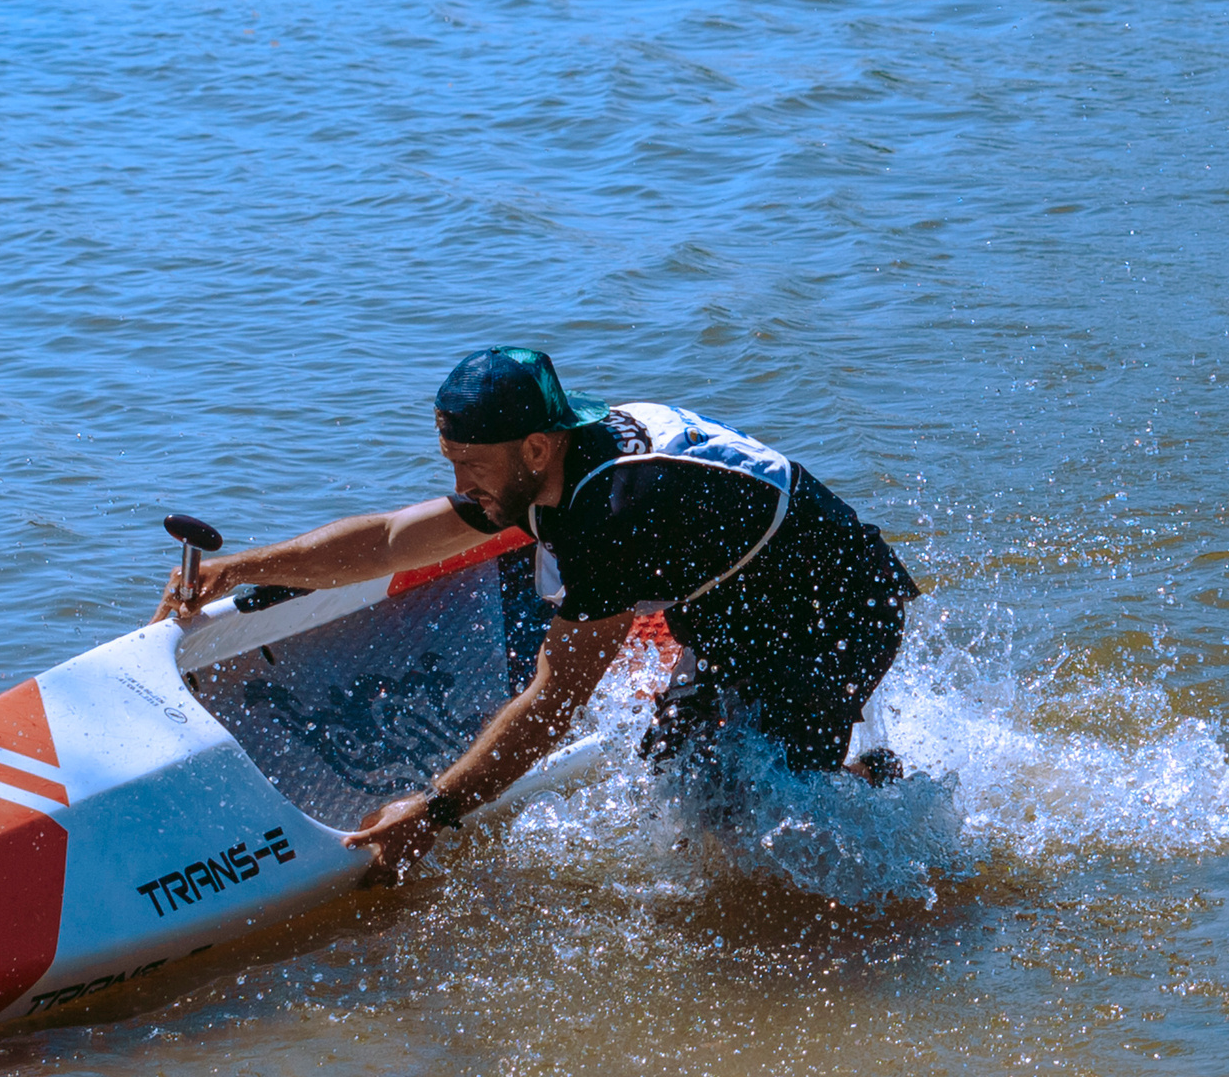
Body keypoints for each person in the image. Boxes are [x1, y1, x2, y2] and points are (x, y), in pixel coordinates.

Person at [157, 346, 921, 877]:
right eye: (452, 463)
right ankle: (863, 767)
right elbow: (394, 541)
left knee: (762, 823)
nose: (462, 483)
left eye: (471, 465)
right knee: (679, 778)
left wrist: (432, 808)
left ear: (533, 449)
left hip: (835, 614)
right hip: (738, 599)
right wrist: (238, 569)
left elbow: (554, 699)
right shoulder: (551, 464)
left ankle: (891, 825)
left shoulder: (615, 518)